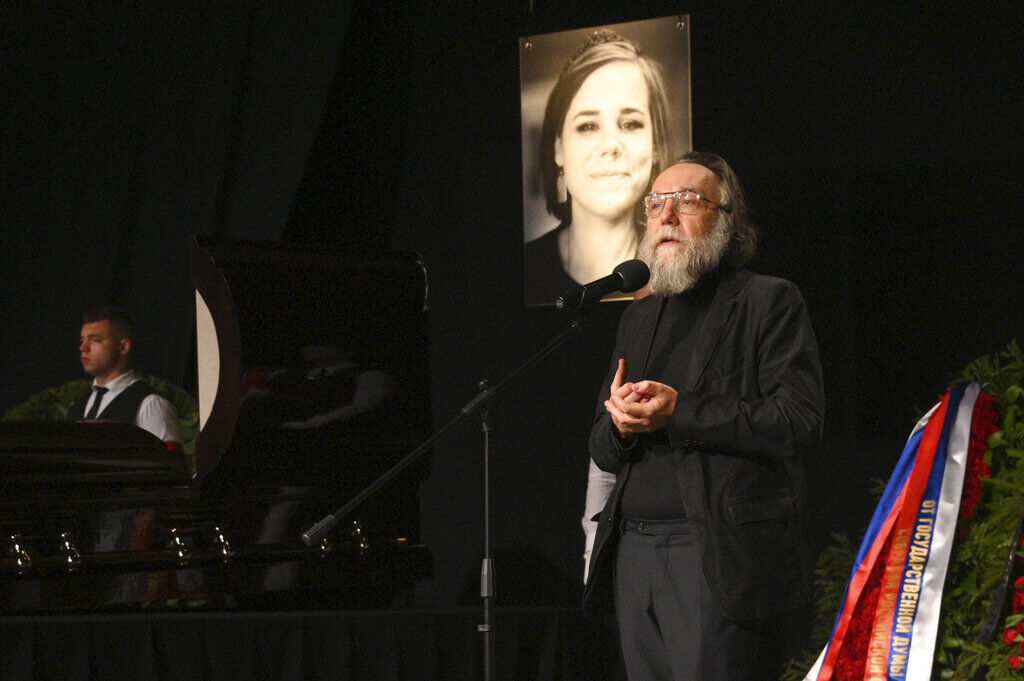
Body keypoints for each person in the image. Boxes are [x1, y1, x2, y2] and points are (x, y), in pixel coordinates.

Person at [583, 152, 825, 680]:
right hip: (633, 552)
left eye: (688, 201)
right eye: (657, 203)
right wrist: (622, 426)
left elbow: (798, 419)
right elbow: (602, 446)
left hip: (714, 554)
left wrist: (682, 411)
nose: (666, 216)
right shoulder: (639, 315)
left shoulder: (768, 301)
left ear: (726, 219)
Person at [525, 29, 674, 305]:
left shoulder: (682, 270)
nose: (611, 145)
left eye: (630, 124)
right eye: (588, 126)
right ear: (558, 148)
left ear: (655, 146)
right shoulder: (527, 266)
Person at [66, 306, 182, 445]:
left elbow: (168, 464)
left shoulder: (150, 405)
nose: (83, 348)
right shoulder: (78, 406)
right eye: (82, 340)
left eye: (95, 340)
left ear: (123, 347)